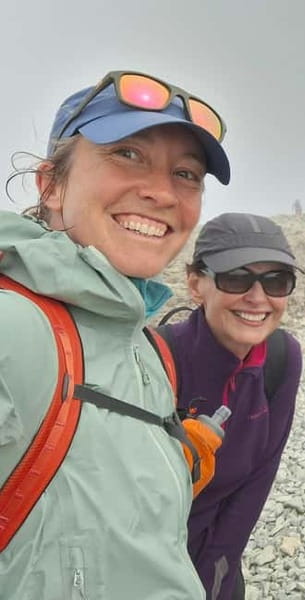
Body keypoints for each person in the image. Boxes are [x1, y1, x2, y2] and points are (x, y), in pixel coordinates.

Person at [0, 70, 230, 598]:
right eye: (127, 154)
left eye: (187, 173)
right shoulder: (16, 329)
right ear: (51, 185)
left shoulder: (144, 344)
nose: (162, 193)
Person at [161, 213, 302, 600]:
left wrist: (216, 576)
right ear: (196, 284)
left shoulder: (281, 359)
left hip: (219, 570)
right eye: (236, 278)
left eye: (276, 281)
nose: (257, 297)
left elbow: (258, 479)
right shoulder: (156, 361)